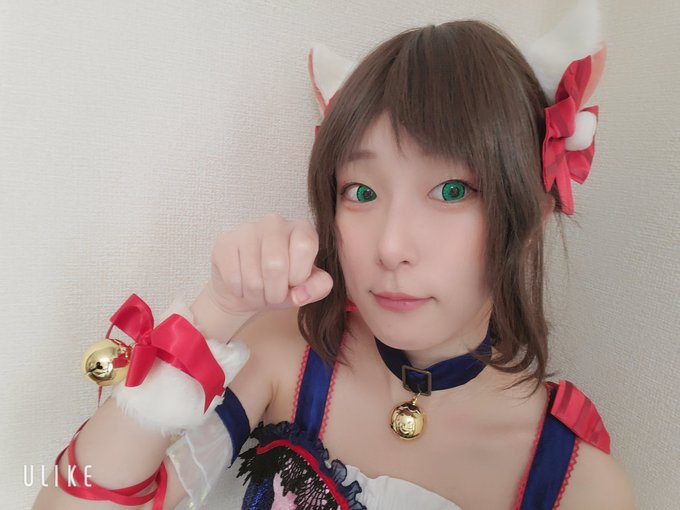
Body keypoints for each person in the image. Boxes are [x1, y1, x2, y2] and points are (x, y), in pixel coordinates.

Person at [32, 5, 636, 510]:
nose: (391, 247)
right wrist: (217, 310)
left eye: (452, 190)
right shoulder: (289, 358)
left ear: (533, 210)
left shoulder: (579, 484)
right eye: (361, 192)